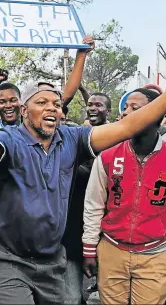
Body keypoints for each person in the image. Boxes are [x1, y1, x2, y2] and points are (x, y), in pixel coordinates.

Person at [0, 59, 166, 304]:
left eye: (56, 104)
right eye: (41, 102)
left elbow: (125, 127)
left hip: (51, 260)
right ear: (24, 110)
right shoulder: (8, 139)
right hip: (7, 257)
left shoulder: (71, 139)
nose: (51, 108)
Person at [82, 88, 166, 304]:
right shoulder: (108, 156)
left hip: (154, 255)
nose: (126, 113)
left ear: (157, 112)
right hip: (111, 251)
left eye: (135, 108)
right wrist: (89, 249)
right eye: (125, 108)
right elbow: (93, 205)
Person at [59, 90, 112, 304]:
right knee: (71, 296)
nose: (93, 108)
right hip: (74, 226)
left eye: (99, 105)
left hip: (106, 229)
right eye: (90, 104)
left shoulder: (116, 140)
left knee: (103, 296)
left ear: (108, 111)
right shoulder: (74, 138)